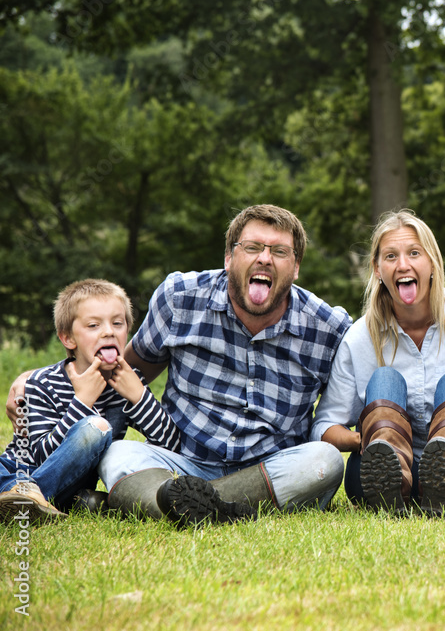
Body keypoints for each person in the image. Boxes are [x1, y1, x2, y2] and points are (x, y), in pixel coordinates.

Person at [83, 204, 353, 526]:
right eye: (252, 247)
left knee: (325, 460)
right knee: (117, 454)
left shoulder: (329, 328)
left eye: (280, 251)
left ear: (295, 267)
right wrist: (36, 380)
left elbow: (363, 381)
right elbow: (122, 371)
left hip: (269, 468)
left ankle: (162, 505)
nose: (264, 258)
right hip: (183, 462)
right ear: (228, 258)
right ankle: (216, 506)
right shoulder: (179, 298)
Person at [312, 210, 445, 514]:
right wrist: (365, 438)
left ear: (432, 262)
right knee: (385, 380)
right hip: (378, 480)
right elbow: (324, 427)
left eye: (414, 253)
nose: (403, 264)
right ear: (377, 269)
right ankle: (392, 484)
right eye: (390, 256)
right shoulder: (359, 337)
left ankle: (441, 482)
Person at [0, 279, 179, 525]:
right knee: (95, 427)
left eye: (118, 323)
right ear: (68, 339)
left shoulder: (126, 384)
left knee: (97, 428)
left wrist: (139, 396)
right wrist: (82, 401)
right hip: (21, 470)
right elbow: (42, 456)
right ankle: (26, 495)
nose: (108, 331)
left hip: (72, 482)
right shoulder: (42, 383)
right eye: (93, 325)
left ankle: (23, 499)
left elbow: (171, 444)